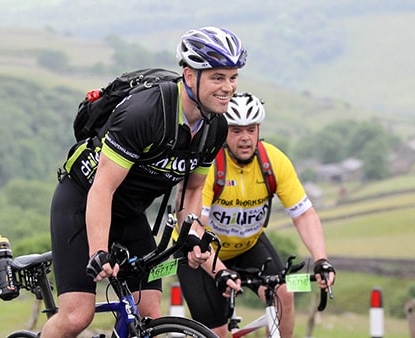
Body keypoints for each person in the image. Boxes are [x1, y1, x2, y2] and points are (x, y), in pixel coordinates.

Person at [42, 26, 248, 337]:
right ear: (190, 76)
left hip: (130, 213)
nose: (228, 87)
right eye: (218, 77)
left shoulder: (215, 127)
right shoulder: (146, 113)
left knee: (149, 315)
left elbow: (192, 190)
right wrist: (99, 250)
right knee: (76, 317)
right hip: (83, 201)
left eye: (232, 78)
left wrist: (192, 232)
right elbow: (103, 188)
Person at [176, 93, 336, 338]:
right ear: (224, 130)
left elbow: (304, 215)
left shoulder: (274, 161)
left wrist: (321, 259)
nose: (245, 138)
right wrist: (220, 271)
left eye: (251, 130)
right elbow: (198, 227)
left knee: (283, 292)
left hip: (248, 245)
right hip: (200, 252)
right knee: (217, 332)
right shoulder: (210, 164)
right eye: (236, 131)